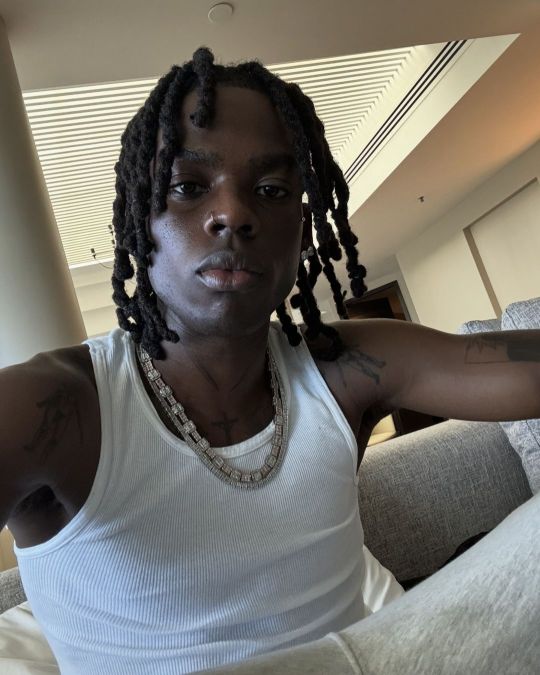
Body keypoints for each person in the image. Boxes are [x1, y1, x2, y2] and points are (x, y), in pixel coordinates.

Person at [0, 46, 538, 674]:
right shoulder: (50, 407)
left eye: (272, 190)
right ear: (138, 218)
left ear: (302, 229)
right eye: (187, 187)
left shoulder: (345, 367)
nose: (233, 213)